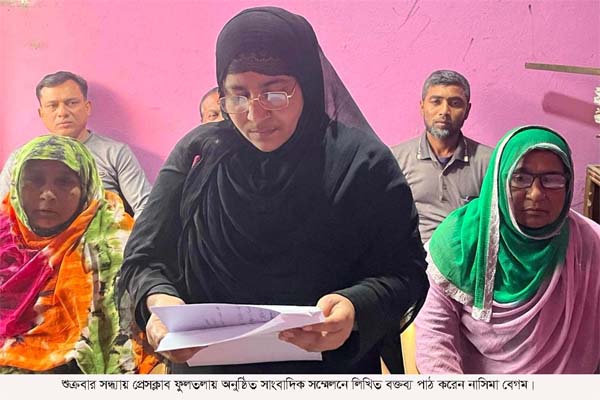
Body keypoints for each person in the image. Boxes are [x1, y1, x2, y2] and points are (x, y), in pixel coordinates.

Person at [117, 6, 428, 374]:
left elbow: (405, 271)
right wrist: (160, 304)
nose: (255, 114)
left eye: (275, 93)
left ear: (308, 84)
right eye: (237, 95)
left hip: (327, 372)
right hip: (209, 374)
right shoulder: (198, 156)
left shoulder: (361, 162)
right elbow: (144, 258)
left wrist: (354, 307)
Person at [414, 125, 600, 374]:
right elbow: (434, 339)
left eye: (552, 179)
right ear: (499, 180)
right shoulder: (457, 242)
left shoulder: (590, 243)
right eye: (520, 178)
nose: (536, 193)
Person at [0, 135, 158, 373]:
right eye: (35, 180)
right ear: (16, 185)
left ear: (86, 188)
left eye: (64, 182)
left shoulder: (113, 241)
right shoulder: (5, 233)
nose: (47, 193)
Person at [0, 71, 151, 217]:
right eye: (52, 105)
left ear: (87, 108)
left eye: (71, 103)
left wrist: (130, 235)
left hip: (103, 233)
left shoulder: (115, 153)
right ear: (41, 114)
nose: (62, 113)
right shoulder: (20, 158)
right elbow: (2, 212)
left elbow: (146, 208)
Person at [391, 70, 492, 244]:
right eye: (436, 102)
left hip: (465, 257)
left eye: (455, 103)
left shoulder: (489, 162)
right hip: (413, 256)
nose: (444, 111)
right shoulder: (396, 159)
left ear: (467, 110)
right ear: (422, 106)